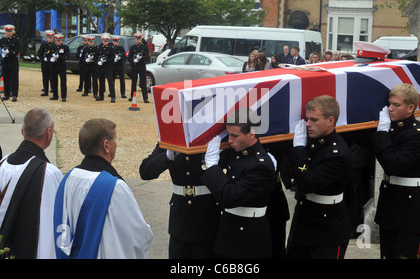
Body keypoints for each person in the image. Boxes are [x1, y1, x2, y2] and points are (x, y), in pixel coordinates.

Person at [53, 118, 154, 259]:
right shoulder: (115, 187)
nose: (116, 145)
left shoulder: (68, 178)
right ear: (106, 145)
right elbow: (137, 235)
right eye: (115, 140)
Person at [201, 108, 277, 258]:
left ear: (252, 133)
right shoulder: (238, 154)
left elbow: (230, 197)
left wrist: (212, 167)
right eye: (229, 134)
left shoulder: (260, 165)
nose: (229, 140)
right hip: (228, 230)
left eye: (234, 135)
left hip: (248, 238)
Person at [286, 95, 352, 259]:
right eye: (307, 119)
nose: (308, 124)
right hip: (304, 221)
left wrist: (299, 149)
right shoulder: (313, 141)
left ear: (330, 121)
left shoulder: (337, 153)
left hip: (327, 229)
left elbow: (308, 183)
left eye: (314, 120)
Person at [373, 83, 420, 259]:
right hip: (390, 204)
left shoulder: (418, 134)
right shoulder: (392, 127)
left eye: (396, 105)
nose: (390, 109)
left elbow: (392, 164)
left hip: (410, 210)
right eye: (389, 104)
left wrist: (382, 134)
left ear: (410, 108)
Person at [0, 108, 63, 258]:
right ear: (49, 132)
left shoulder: (2, 164)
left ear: (22, 131)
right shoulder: (49, 173)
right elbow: (54, 225)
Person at [140, 144, 221, 258]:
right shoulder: (171, 140)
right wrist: (168, 156)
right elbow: (145, 172)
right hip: (180, 220)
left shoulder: (214, 137)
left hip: (208, 218)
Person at [127, 32, 150, 103]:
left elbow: (147, 57)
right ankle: (132, 96)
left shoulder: (145, 47)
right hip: (134, 66)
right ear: (135, 39)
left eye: (139, 38)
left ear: (141, 38)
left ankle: (145, 98)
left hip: (141, 66)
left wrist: (141, 58)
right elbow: (129, 57)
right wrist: (133, 60)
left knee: (143, 83)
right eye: (137, 39)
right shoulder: (133, 47)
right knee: (133, 82)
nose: (138, 40)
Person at [0, 24, 20, 102]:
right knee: (6, 78)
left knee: (14, 78)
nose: (8, 33)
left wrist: (9, 52)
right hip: (5, 61)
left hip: (13, 61)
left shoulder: (16, 40)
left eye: (10, 31)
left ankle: (14, 95)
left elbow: (17, 50)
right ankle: (6, 95)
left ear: (12, 32)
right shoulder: (2, 40)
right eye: (7, 31)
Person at [49, 33, 69, 102]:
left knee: (63, 81)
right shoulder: (52, 46)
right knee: (54, 81)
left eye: (59, 40)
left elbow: (67, 56)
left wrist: (59, 57)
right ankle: (55, 95)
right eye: (57, 40)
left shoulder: (65, 47)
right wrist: (50, 58)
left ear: (62, 40)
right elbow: (48, 54)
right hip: (54, 66)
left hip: (61, 65)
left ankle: (63, 96)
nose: (58, 42)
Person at [95, 33, 115, 102]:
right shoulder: (99, 48)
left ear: (108, 41)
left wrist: (105, 60)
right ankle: (101, 96)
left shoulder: (111, 49)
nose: (105, 42)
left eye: (106, 41)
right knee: (101, 82)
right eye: (104, 40)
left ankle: (113, 97)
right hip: (101, 67)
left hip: (108, 67)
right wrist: (98, 62)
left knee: (110, 82)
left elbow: (112, 59)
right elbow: (96, 57)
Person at [38, 30, 55, 96]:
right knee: (45, 77)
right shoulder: (44, 44)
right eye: (49, 37)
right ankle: (45, 90)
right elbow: (40, 53)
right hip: (45, 63)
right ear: (46, 37)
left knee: (52, 76)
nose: (50, 39)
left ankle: (53, 88)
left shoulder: (54, 45)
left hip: (52, 63)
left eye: (51, 37)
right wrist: (43, 59)